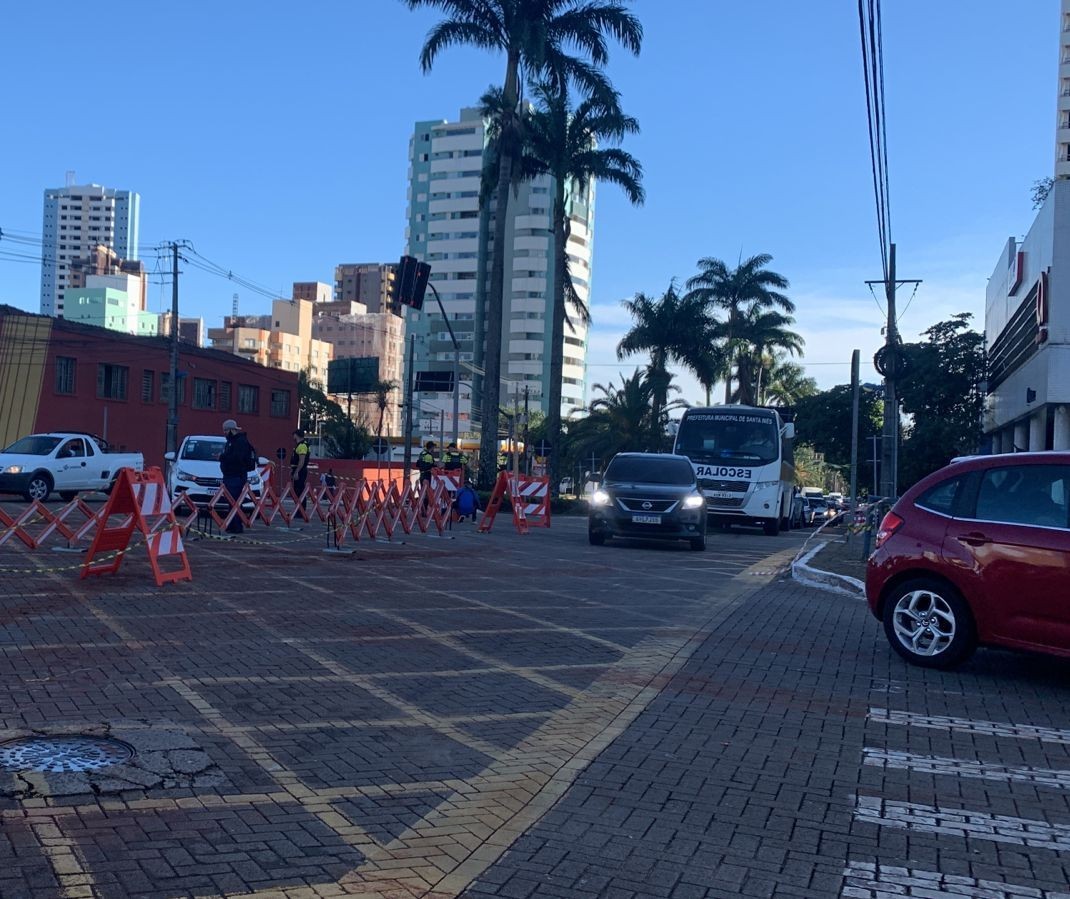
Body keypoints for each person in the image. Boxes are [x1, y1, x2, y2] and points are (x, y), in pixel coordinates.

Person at [219, 419, 254, 534]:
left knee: (235, 501)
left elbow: (237, 458)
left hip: (236, 475)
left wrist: (223, 457)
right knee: (231, 501)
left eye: (225, 430)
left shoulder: (239, 442)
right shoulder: (232, 441)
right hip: (231, 475)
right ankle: (232, 524)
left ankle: (237, 525)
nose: (224, 432)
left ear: (231, 429)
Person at [290, 429, 310, 509]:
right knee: (297, 490)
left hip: (300, 471)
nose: (293, 437)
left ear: (296, 435)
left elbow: (301, 461)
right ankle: (298, 510)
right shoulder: (299, 445)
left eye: (294, 435)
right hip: (297, 470)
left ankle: (301, 510)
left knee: (299, 490)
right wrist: (292, 470)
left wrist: (296, 472)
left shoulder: (302, 446)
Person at [417, 441, 437, 505]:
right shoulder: (429, 455)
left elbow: (418, 464)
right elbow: (430, 465)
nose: (434, 449)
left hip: (422, 474)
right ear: (432, 447)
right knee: (427, 492)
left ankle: (422, 507)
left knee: (423, 491)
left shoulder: (422, 453)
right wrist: (436, 465)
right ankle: (425, 508)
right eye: (434, 447)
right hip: (427, 475)